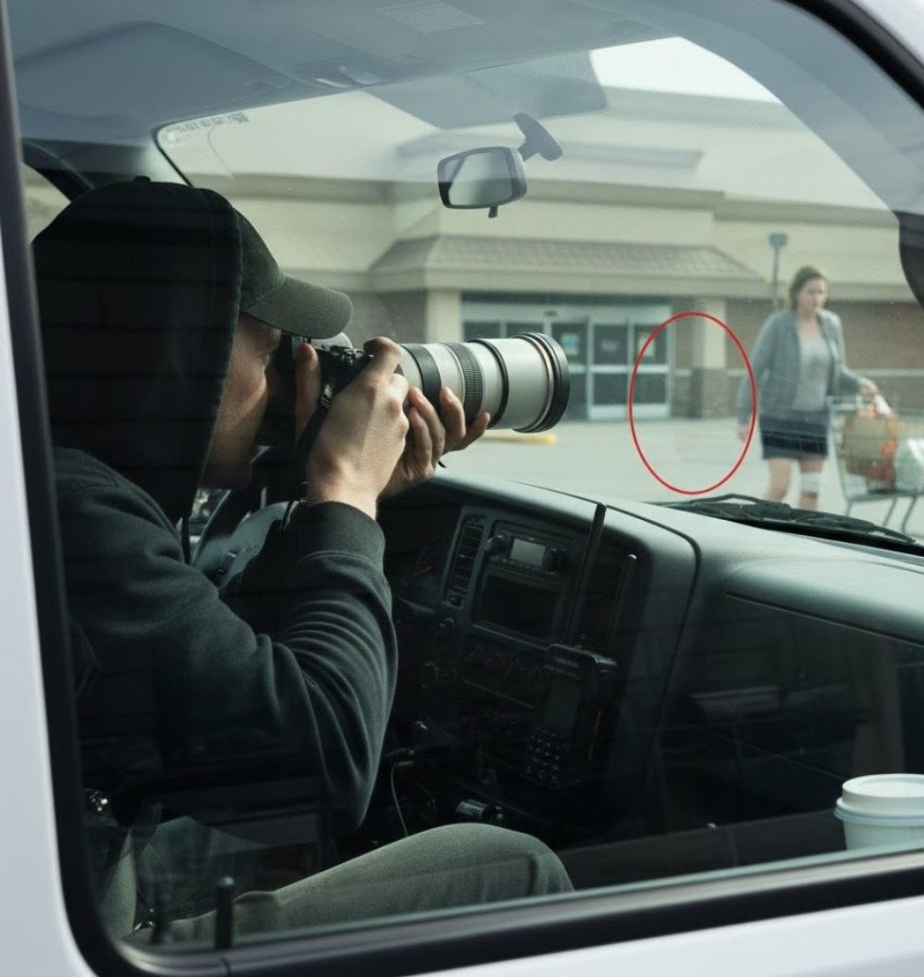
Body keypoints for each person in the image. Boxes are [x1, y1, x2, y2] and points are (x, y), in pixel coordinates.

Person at [35, 179, 571, 943]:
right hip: (84, 935)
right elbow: (325, 766)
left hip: (76, 851)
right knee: (509, 865)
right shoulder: (70, 516)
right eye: (272, 351)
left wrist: (327, 501)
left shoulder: (54, 475)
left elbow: (222, 683)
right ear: (180, 353)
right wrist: (347, 491)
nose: (296, 375)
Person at [736, 265, 877, 508]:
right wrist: (743, 416)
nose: (816, 298)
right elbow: (754, 370)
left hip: (815, 419)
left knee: (811, 491)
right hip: (779, 418)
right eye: (811, 291)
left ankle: (802, 531)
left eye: (821, 292)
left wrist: (858, 383)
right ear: (796, 293)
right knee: (780, 488)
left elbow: (837, 371)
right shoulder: (779, 324)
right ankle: (750, 526)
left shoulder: (831, 324)